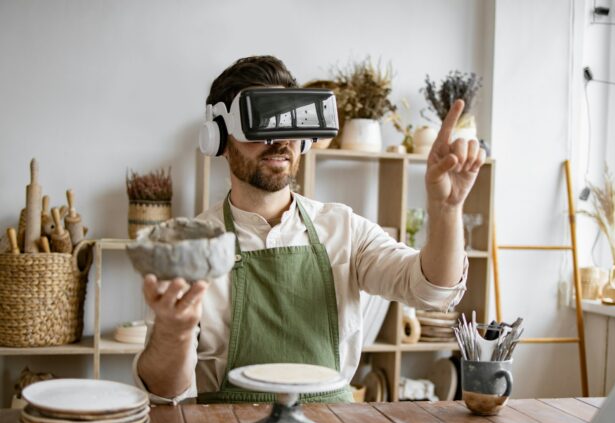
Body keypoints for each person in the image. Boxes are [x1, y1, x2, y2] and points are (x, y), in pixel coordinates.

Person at [134, 55, 486, 404]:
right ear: (219, 138)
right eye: (263, 121)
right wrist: (174, 332)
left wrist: (447, 209)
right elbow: (166, 395)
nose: (281, 139)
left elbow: (432, 291)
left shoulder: (344, 228)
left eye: (290, 122)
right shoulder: (192, 249)